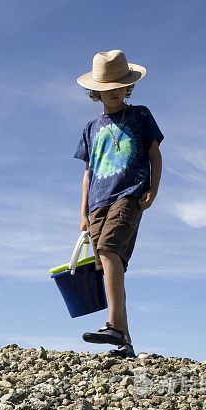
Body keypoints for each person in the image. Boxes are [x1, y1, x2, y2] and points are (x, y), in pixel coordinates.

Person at [74, 50, 163, 358]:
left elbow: (154, 154)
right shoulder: (91, 127)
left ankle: (113, 325)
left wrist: (153, 188)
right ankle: (124, 341)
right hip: (98, 201)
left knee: (110, 250)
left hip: (130, 194)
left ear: (128, 86)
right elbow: (88, 172)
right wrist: (83, 212)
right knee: (109, 265)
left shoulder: (140, 115)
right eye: (105, 87)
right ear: (95, 91)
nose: (111, 92)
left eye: (117, 86)